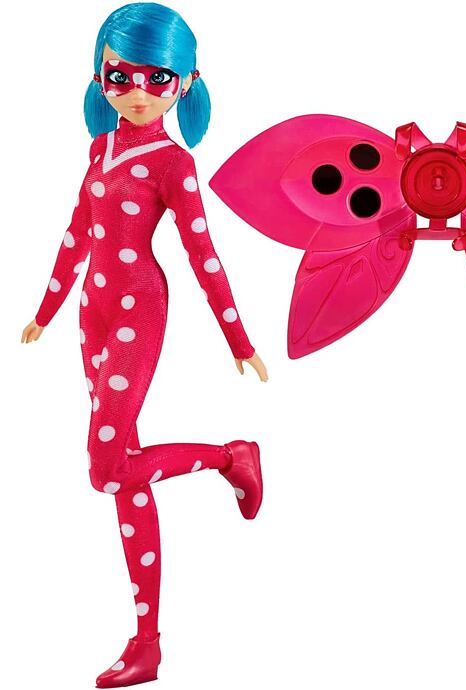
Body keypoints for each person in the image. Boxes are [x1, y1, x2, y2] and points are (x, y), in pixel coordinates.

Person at [20, 4, 266, 686]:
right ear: (99, 77)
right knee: (125, 473)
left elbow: (203, 255)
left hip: (138, 311)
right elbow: (76, 234)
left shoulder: (173, 164)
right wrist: (45, 311)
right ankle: (146, 643)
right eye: (120, 76)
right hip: (92, 313)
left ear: (184, 82)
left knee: (106, 468)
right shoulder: (99, 150)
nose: (137, 92)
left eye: (158, 78)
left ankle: (229, 456)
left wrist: (238, 339)